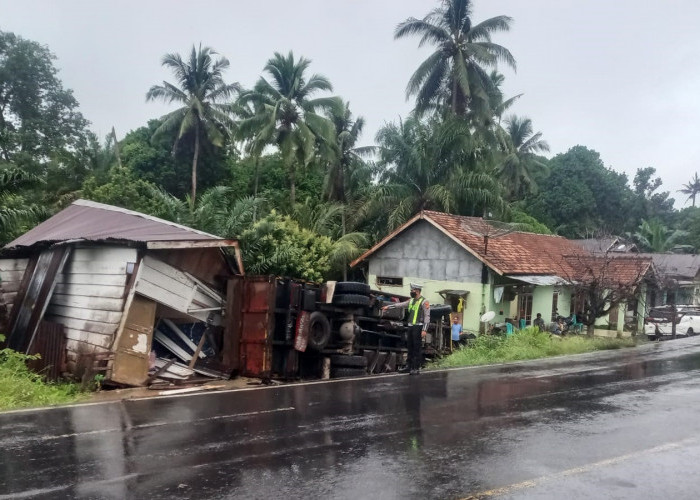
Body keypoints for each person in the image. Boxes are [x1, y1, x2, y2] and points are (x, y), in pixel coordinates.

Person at [382, 283, 430, 374]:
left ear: (418, 291)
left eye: (413, 290)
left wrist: (424, 329)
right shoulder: (411, 301)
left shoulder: (424, 301)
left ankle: (416, 368)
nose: (411, 292)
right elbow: (400, 305)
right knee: (410, 347)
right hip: (411, 326)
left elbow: (427, 316)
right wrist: (388, 307)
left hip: (418, 326)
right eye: (411, 290)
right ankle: (409, 366)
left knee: (416, 348)